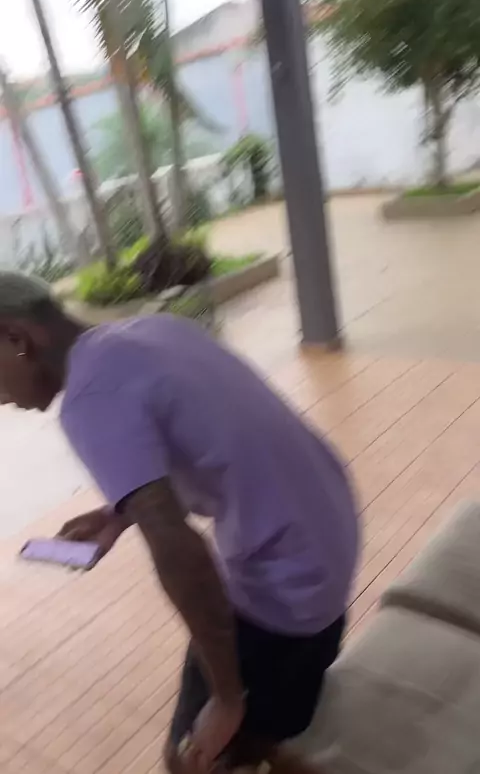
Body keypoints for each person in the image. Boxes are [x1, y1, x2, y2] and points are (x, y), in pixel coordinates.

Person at [0, 272, 358, 774]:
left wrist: (227, 697)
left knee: (190, 758)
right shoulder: (152, 331)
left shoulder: (88, 400)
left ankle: (248, 736)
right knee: (256, 729)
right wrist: (119, 513)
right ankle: (261, 741)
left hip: (288, 580)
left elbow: (180, 551)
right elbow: (208, 442)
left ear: (16, 337)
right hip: (332, 532)